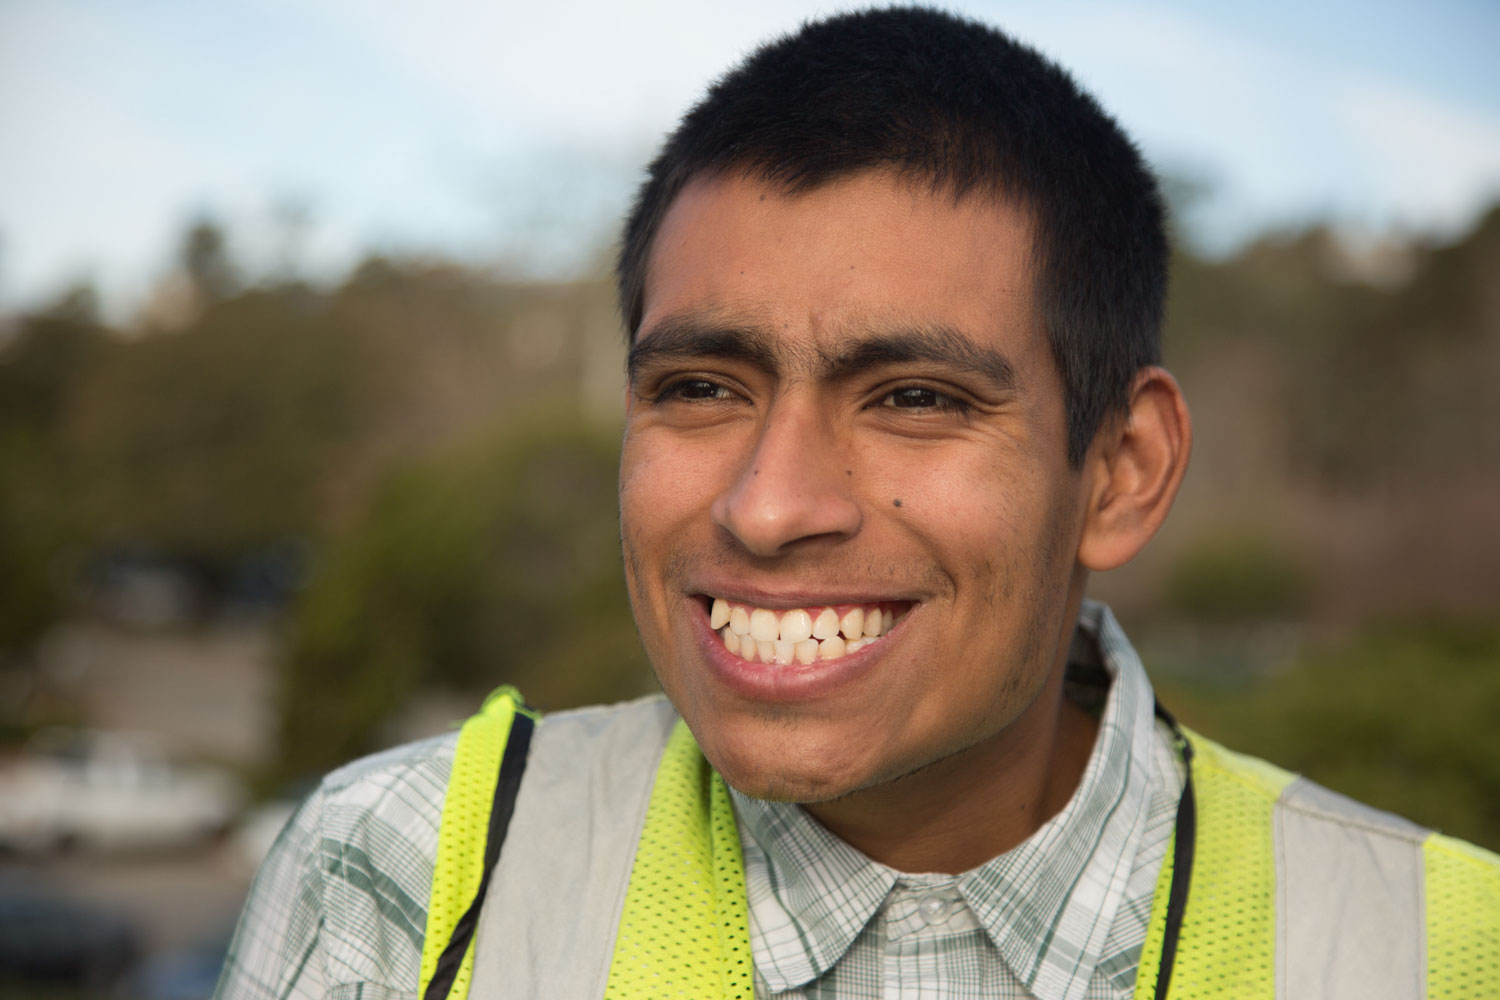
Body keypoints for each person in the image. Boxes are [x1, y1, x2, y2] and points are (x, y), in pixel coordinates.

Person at [214, 8, 1499, 1000]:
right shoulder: (405, 882)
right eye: (704, 385)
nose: (769, 509)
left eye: (918, 398)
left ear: (1122, 469)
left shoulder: (1439, 949)